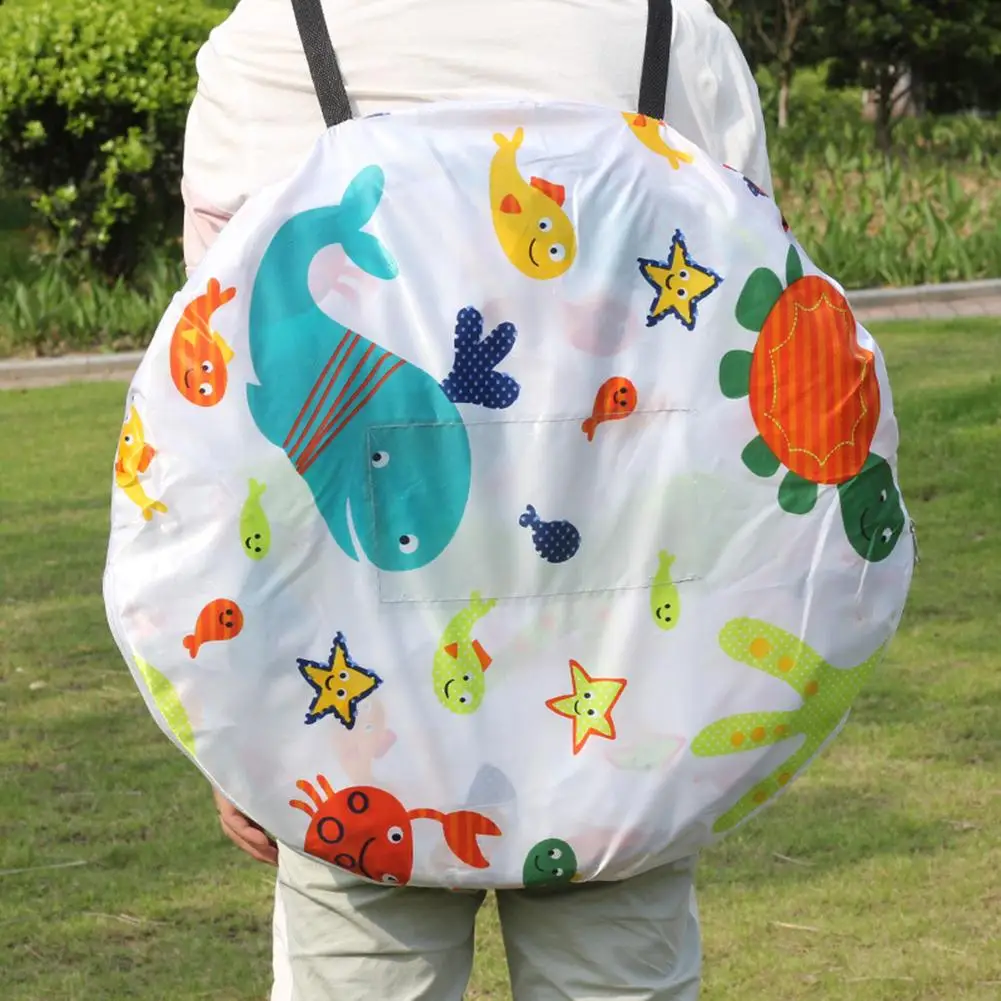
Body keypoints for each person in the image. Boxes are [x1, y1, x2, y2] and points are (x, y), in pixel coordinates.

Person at [180, 2, 772, 998]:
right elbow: (747, 343)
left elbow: (212, 414)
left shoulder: (271, 40)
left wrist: (230, 717)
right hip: (618, 664)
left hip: (348, 676)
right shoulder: (673, 33)